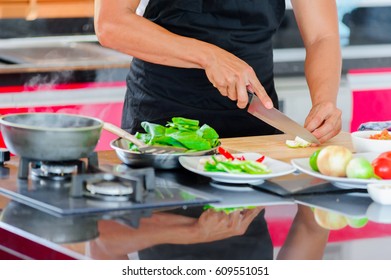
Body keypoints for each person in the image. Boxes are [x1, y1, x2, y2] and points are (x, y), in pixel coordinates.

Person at [94, 0, 341, 259]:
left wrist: (324, 101)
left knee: (240, 229)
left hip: (254, 136)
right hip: (164, 132)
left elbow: (322, 36)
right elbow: (110, 23)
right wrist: (209, 57)